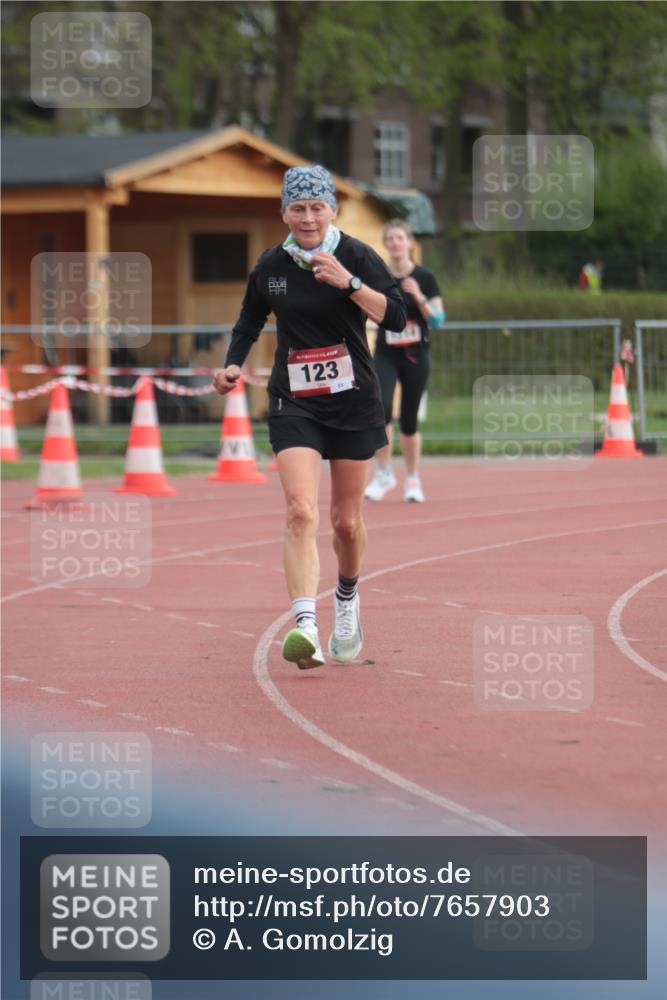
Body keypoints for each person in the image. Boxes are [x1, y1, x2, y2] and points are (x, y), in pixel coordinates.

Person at [213, 165, 406, 669]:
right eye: (297, 208)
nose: (307, 218)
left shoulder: (357, 255)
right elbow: (250, 318)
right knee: (301, 510)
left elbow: (397, 316)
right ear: (284, 213)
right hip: (294, 400)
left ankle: (346, 597)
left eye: (317, 207)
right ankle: (306, 628)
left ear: (333, 211)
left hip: (353, 400)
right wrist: (233, 363)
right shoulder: (271, 265)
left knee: (346, 522)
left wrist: (350, 283)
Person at [364, 219, 444, 503]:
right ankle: (384, 473)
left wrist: (419, 296)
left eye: (400, 238)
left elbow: (438, 320)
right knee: (381, 411)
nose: (395, 243)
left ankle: (412, 478)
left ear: (410, 242)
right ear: (385, 244)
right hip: (386, 354)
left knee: (409, 420)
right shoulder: (378, 276)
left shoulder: (424, 277)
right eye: (390, 239)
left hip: (416, 355)